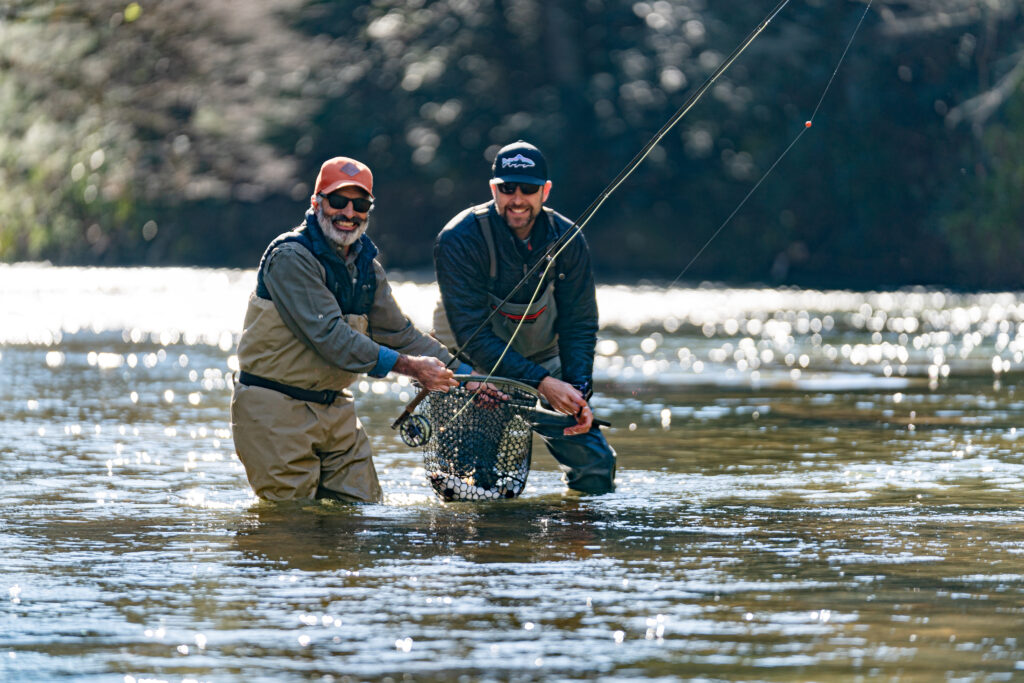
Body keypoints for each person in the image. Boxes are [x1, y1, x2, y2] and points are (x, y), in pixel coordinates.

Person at [230, 156, 472, 503]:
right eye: (338, 201)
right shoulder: (289, 258)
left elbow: (402, 334)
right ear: (316, 204)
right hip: (274, 407)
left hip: (336, 409)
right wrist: (410, 367)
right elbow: (331, 338)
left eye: (360, 204)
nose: (348, 212)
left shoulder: (367, 269)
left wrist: (468, 377)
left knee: (364, 516)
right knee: (291, 525)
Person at [432, 140, 616, 494]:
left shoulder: (568, 239)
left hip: (546, 359)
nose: (517, 198)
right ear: (493, 190)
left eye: (528, 189)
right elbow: (471, 333)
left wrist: (577, 393)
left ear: (545, 191)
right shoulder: (459, 238)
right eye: (507, 188)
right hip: (477, 365)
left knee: (597, 469)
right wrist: (542, 384)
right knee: (472, 480)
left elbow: (579, 325)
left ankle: (578, 539)